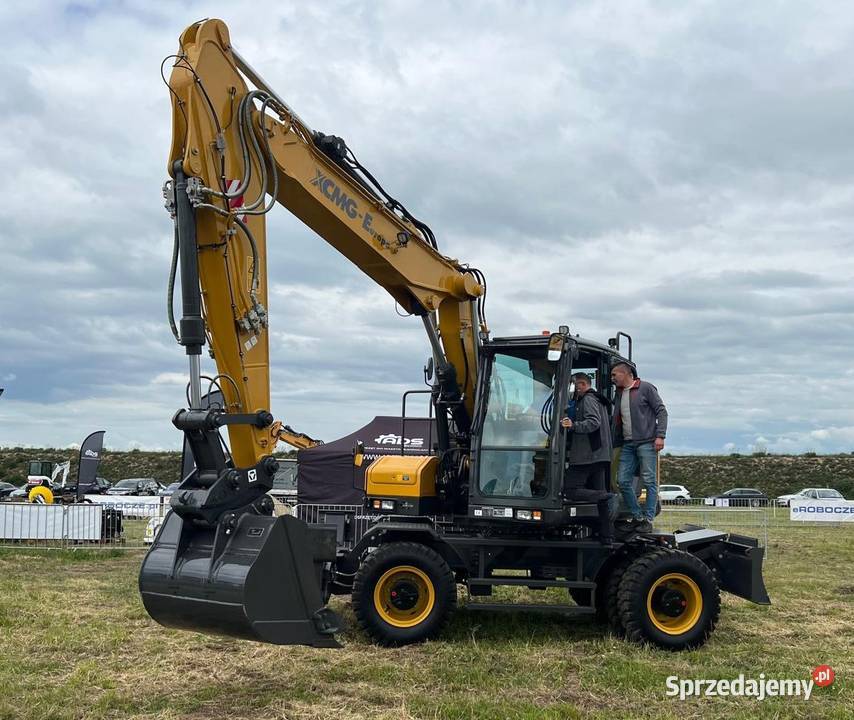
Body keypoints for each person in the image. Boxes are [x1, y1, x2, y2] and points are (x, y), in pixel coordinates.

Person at [610, 361, 668, 533]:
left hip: (647, 441)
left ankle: (648, 518)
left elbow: (661, 411)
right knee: (622, 481)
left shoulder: (646, 388)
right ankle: (637, 516)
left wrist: (660, 436)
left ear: (626, 374)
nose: (612, 378)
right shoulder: (619, 393)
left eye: (615, 375)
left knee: (649, 480)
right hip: (628, 443)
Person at [560, 372, 614, 543]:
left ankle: (607, 496)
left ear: (582, 384)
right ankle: (606, 536)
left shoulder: (588, 399)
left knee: (570, 489)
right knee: (600, 499)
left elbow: (593, 422)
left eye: (575, 386)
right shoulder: (599, 399)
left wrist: (573, 425)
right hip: (599, 454)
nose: (574, 390)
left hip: (587, 454)